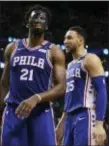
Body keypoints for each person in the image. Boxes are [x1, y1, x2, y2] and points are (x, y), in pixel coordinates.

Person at [0, 4, 66, 146]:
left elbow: (62, 86)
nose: (38, 20)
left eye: (42, 19)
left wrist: (37, 98)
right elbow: (4, 83)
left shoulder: (54, 51)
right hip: (14, 110)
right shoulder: (13, 48)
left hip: (41, 112)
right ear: (27, 23)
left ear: (46, 26)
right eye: (35, 17)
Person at [56, 26, 107, 146]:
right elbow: (69, 97)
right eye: (64, 39)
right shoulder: (70, 66)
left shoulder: (90, 59)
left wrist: (99, 124)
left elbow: (102, 90)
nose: (65, 41)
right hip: (70, 118)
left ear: (80, 40)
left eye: (69, 38)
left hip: (86, 115)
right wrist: (62, 123)